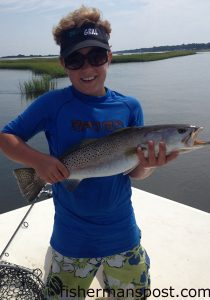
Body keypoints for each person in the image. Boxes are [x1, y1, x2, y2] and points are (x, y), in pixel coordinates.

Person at [0, 6, 178, 300]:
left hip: (123, 233)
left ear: (109, 57)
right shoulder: (53, 104)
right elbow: (6, 138)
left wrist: (148, 165)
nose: (87, 69)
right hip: (70, 240)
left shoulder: (130, 106)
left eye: (96, 57)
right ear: (63, 63)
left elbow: (134, 172)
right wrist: (39, 161)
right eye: (75, 60)